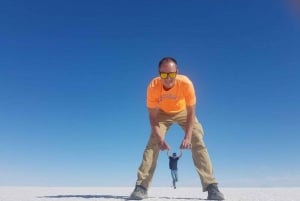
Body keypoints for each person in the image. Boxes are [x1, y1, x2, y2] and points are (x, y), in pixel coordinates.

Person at [129, 57, 224, 200]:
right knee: (153, 143)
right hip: (161, 114)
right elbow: (153, 117)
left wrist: (187, 136)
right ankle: (141, 187)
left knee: (197, 138)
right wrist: (160, 139)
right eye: (164, 74)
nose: (168, 78)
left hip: (183, 112)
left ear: (177, 72)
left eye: (172, 74)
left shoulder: (185, 83)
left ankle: (212, 187)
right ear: (159, 73)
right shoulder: (153, 87)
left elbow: (191, 112)